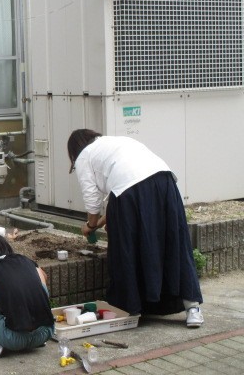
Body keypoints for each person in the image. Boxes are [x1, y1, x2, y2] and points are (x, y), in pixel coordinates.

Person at [67, 129, 204, 327]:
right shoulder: (116, 143)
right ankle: (193, 308)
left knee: (126, 249)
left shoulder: (84, 156)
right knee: (174, 243)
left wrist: (90, 225)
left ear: (74, 150)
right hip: (164, 182)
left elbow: (92, 199)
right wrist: (101, 223)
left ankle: (131, 306)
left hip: (130, 191)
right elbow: (126, 189)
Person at [0, 233, 54, 358]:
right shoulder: (26, 261)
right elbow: (45, 277)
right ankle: (37, 328)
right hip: (45, 333)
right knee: (39, 273)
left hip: (11, 339)